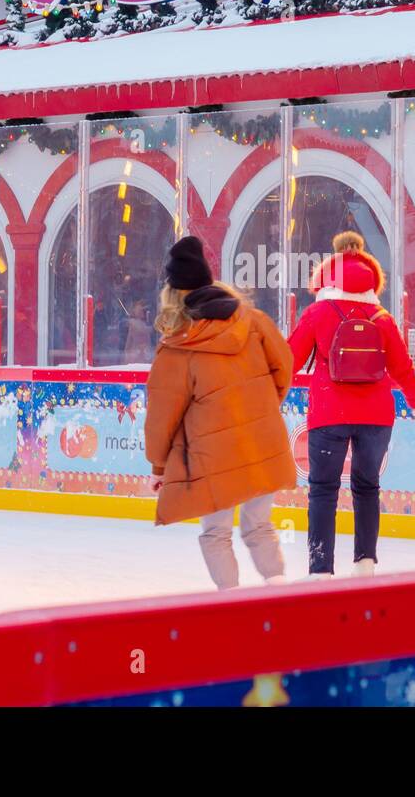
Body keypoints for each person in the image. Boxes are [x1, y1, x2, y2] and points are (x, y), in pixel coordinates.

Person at [145, 236, 296, 590]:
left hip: (212, 455)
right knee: (259, 525)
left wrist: (158, 465)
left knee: (216, 532)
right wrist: (260, 407)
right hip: (261, 442)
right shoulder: (253, 321)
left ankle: (231, 603)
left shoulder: (179, 346)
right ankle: (279, 591)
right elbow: (284, 366)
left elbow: (162, 414)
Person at [288, 231, 415, 579]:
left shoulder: (318, 311)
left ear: (331, 267)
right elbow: (403, 368)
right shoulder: (382, 317)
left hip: (329, 414)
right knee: (367, 487)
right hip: (376, 417)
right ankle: (365, 563)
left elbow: (289, 360)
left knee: (323, 490)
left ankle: (320, 569)